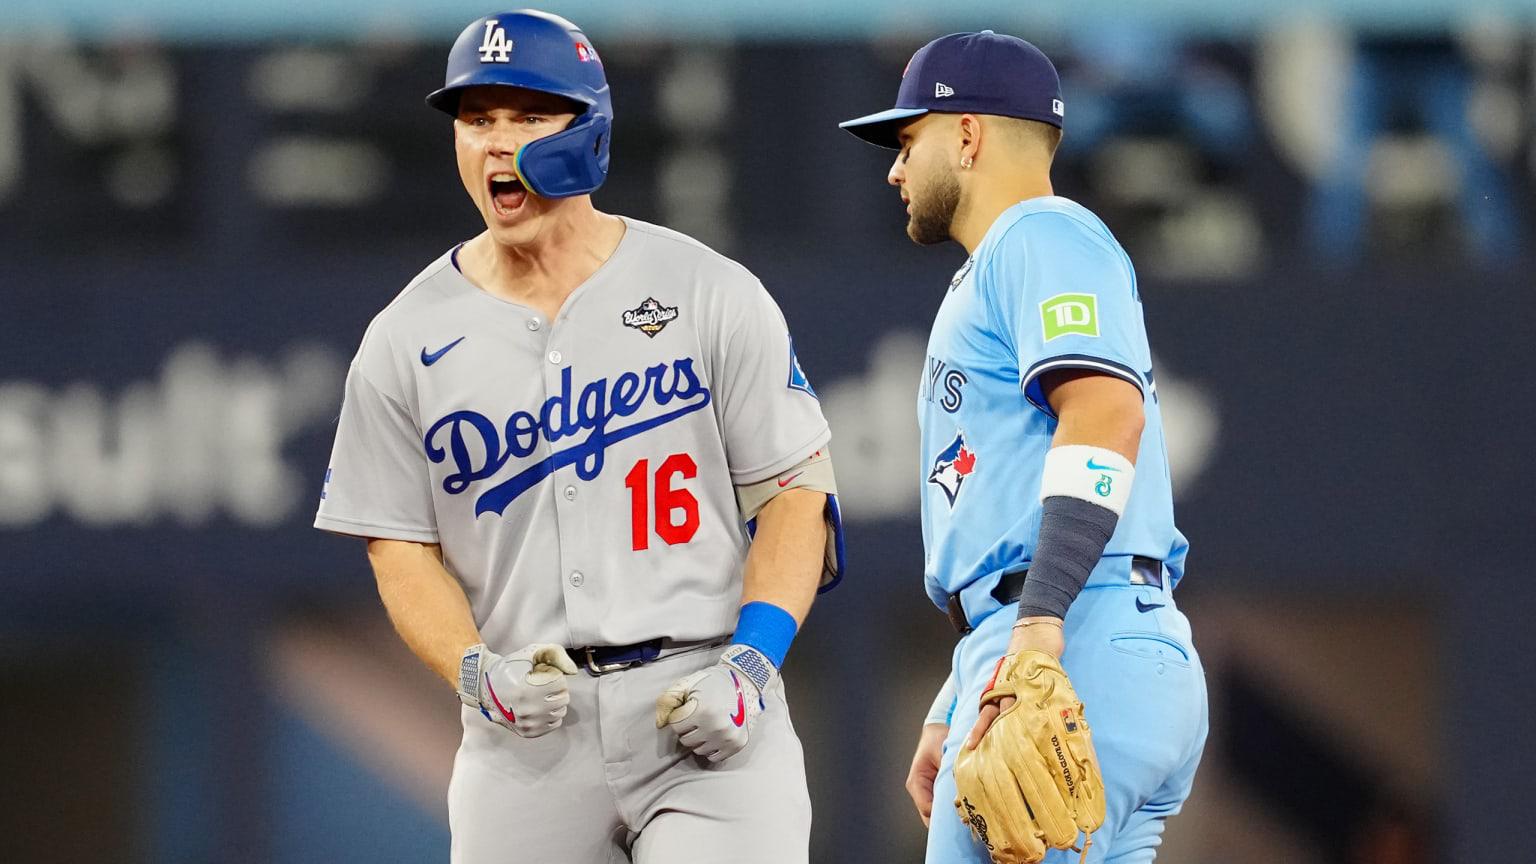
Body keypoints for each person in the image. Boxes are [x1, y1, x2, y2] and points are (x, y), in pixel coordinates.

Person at [314, 10, 843, 863]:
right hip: (524, 729)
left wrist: (752, 665)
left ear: (588, 130)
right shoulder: (403, 338)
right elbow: (397, 549)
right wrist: (473, 671)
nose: (496, 143)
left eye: (528, 116)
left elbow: (796, 496)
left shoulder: (707, 291)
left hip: (703, 713)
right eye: (477, 119)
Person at [840, 31, 1207, 864]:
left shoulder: (1041, 236)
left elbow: (1107, 412)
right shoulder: (1009, 260)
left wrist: (1037, 629)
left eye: (907, 142)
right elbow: (1007, 519)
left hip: (1081, 637)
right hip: (1065, 640)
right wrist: (955, 693)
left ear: (966, 134)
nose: (896, 170)